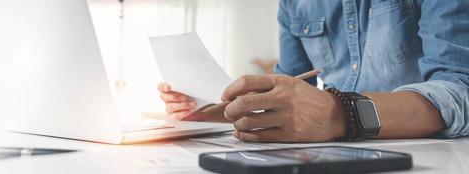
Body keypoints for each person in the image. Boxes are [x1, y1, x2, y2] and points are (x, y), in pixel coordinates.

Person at [158, 0, 469, 143]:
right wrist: (206, 108)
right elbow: (283, 91)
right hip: (332, 153)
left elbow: (459, 91)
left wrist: (337, 112)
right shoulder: (294, 4)